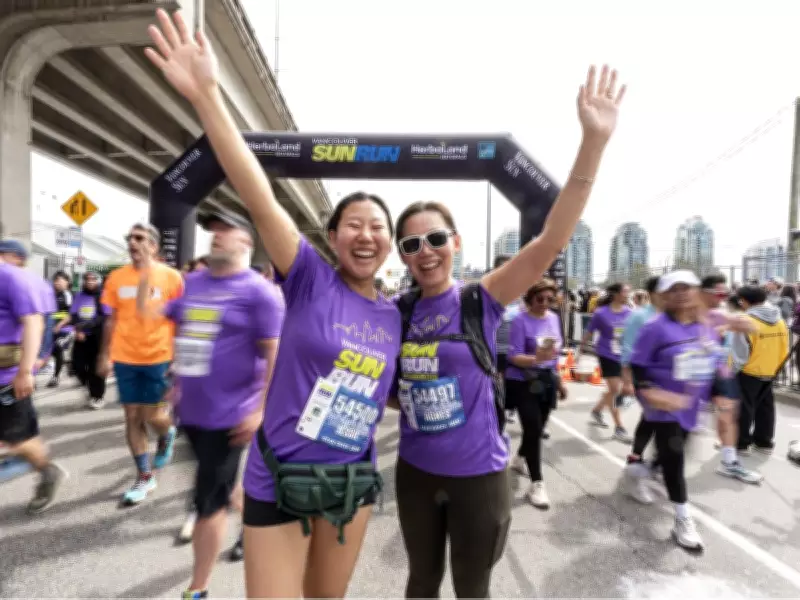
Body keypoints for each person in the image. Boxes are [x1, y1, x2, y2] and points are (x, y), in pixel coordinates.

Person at [145, 11, 401, 597]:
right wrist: (208, 94)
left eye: (377, 227)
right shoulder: (310, 277)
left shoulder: (395, 313)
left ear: (388, 243)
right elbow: (258, 192)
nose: (365, 235)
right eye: (352, 225)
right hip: (278, 480)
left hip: (349, 485)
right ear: (332, 238)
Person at [391, 63, 625, 597]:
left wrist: (593, 142)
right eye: (410, 245)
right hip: (414, 473)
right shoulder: (398, 313)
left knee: (472, 589)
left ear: (455, 242)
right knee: (420, 584)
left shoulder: (482, 297)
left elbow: (548, 241)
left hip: (479, 476)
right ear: (402, 258)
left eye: (434, 239)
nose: (424, 252)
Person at [136, 210, 284, 598]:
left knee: (207, 502)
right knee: (220, 484)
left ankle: (198, 588)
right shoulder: (194, 283)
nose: (215, 236)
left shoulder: (259, 292)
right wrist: (147, 272)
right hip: (192, 412)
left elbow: (275, 356)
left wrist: (260, 410)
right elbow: (157, 318)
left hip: (230, 417)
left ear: (246, 243)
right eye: (212, 230)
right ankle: (254, 526)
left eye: (225, 230)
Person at [629, 270, 716, 550]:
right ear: (664, 296)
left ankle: (648, 470)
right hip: (664, 406)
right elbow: (638, 366)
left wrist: (720, 392)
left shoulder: (704, 325)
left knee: (675, 456)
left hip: (692, 405)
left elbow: (712, 360)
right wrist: (649, 392)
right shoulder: (654, 327)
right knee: (676, 458)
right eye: (674, 289)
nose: (681, 293)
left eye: (687, 288)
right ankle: (682, 518)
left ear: (696, 292)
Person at [98, 223, 184, 505]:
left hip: (159, 357)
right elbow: (110, 319)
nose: (132, 243)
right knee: (132, 416)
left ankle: (167, 431)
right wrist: (104, 355)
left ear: (154, 246)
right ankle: (145, 476)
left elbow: (182, 320)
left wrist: (179, 357)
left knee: (153, 416)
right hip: (125, 358)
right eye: (130, 238)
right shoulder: (116, 278)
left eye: (139, 238)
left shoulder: (172, 278)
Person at [0, 260, 67, 513]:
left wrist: (26, 371)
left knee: (20, 440)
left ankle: (48, 472)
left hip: (7, 378)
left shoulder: (12, 279)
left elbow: (35, 323)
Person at [506, 279, 563, 509]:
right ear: (530, 298)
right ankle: (537, 483)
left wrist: (558, 380)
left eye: (551, 299)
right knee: (534, 429)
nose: (545, 303)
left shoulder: (554, 319)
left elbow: (556, 353)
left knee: (536, 429)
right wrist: (536, 359)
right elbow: (514, 356)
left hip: (546, 380)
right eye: (540, 299)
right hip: (523, 381)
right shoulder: (520, 321)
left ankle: (520, 458)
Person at [731, 285, 789, 455]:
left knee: (744, 407)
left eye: (741, 300)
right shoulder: (779, 320)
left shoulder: (745, 321)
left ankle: (741, 444)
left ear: (745, 301)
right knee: (766, 406)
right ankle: (764, 442)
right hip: (771, 370)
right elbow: (783, 347)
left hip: (749, 371)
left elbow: (740, 354)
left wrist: (731, 372)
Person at [620, 275, 661, 503]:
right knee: (653, 417)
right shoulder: (639, 316)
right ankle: (637, 461)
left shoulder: (674, 317)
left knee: (661, 421)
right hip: (644, 376)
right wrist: (627, 381)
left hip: (668, 378)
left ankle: (652, 462)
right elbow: (628, 349)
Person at [580, 282, 633, 441]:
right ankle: (619, 427)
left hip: (623, 356)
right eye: (625, 292)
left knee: (616, 390)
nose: (627, 295)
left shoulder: (630, 313)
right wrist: (580, 350)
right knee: (615, 390)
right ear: (616, 294)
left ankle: (597, 411)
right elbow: (589, 332)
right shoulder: (601, 313)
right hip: (606, 354)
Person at [60, 271, 109, 409]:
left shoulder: (103, 296)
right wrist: (77, 328)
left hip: (97, 336)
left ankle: (97, 396)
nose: (90, 282)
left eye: (93, 280)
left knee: (95, 368)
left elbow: (104, 317)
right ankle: (89, 386)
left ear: (98, 281)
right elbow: (73, 314)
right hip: (81, 336)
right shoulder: (79, 296)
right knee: (77, 366)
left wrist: (87, 326)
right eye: (87, 280)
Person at [48, 271, 74, 388]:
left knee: (58, 348)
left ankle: (56, 377)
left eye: (60, 280)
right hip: (51, 329)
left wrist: (59, 325)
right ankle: (68, 363)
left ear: (67, 282)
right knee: (49, 351)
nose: (57, 282)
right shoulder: (50, 294)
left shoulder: (68, 295)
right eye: (56, 280)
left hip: (65, 329)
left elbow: (70, 314)